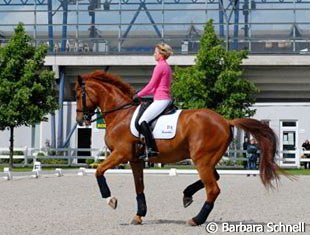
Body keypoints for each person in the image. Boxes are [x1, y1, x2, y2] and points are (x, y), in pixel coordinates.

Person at [133, 43, 173, 159]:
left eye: (155, 52)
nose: (153, 54)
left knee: (143, 121)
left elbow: (151, 85)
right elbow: (154, 88)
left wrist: (138, 94)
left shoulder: (160, 66)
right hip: (161, 98)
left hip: (161, 99)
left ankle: (152, 150)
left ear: (161, 54)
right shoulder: (166, 66)